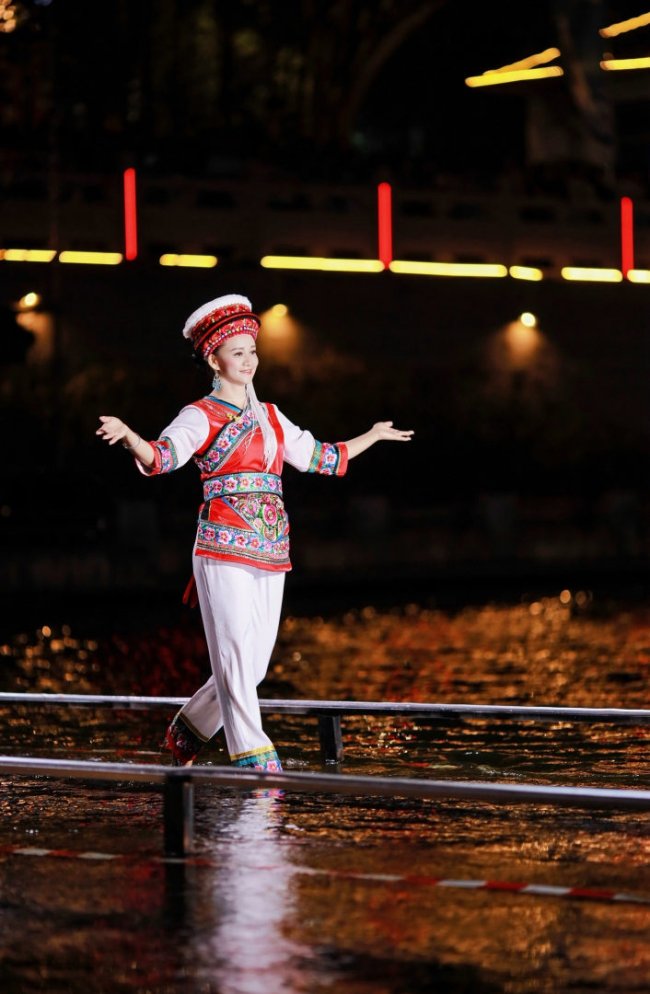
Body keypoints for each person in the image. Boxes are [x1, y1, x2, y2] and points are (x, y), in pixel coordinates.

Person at [96, 293, 413, 772]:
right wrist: (130, 438)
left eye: (252, 351)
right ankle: (256, 762)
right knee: (235, 658)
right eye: (238, 352)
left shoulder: (271, 415)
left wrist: (371, 435)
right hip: (221, 545)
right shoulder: (199, 415)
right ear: (214, 359)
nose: (249, 361)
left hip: (273, 548)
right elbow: (162, 457)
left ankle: (186, 732)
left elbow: (321, 457)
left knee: (253, 665)